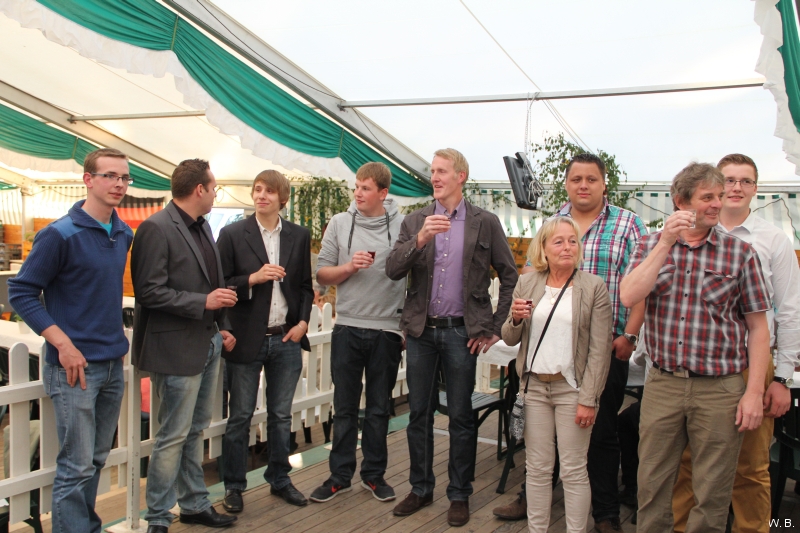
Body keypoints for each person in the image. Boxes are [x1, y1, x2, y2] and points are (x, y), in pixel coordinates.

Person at [493, 153, 647, 533]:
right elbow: (528, 284)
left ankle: (605, 515)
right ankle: (532, 503)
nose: (583, 185)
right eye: (576, 179)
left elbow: (643, 282)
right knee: (541, 456)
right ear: (566, 184)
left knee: (602, 436)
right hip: (541, 372)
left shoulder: (627, 224)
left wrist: (629, 336)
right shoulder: (553, 222)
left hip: (605, 348)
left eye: (591, 179)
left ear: (603, 184)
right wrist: (518, 311)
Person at [620, 162, 771, 533]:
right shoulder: (650, 244)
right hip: (663, 384)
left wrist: (754, 393)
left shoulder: (740, 253)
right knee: (651, 485)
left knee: (713, 493)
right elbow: (629, 296)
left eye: (719, 196)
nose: (718, 203)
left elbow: (758, 328)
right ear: (680, 201)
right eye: (708, 197)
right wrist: (665, 243)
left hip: (721, 389)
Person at [386, 148, 518, 527]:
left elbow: (509, 275)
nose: (435, 177)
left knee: (461, 416)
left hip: (463, 332)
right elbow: (393, 269)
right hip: (421, 333)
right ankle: (421, 488)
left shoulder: (485, 222)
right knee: (419, 414)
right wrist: (420, 239)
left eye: (442, 171)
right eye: (433, 171)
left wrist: (495, 327)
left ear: (461, 176)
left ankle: (459, 494)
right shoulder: (415, 221)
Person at [7, 148, 134, 533]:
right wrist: (62, 343)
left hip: (111, 364)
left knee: (95, 460)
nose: (118, 184)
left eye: (124, 177)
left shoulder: (123, 232)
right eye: (110, 176)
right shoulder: (58, 234)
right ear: (88, 180)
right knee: (76, 466)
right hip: (73, 368)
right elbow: (22, 292)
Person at [671, 154, 800, 533]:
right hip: (699, 364)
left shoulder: (772, 240)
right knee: (689, 459)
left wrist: (782, 378)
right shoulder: (685, 235)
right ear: (715, 186)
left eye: (746, 181)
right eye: (729, 180)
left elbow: (790, 310)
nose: (736, 188)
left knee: (751, 466)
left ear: (756, 189)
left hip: (751, 366)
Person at [131, 159, 238, 533]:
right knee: (172, 436)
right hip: (175, 349)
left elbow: (213, 284)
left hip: (207, 342)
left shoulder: (203, 226)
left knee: (194, 432)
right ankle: (159, 517)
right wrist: (203, 303)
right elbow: (148, 291)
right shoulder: (155, 228)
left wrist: (221, 326)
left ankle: (194, 505)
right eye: (214, 188)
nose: (215, 194)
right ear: (199, 189)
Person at [502, 217, 612, 532]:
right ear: (544, 249)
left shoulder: (593, 287)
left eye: (572, 241)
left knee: (573, 471)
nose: (567, 247)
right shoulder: (527, 283)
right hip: (534, 388)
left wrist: (589, 399)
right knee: (537, 469)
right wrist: (516, 319)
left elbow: (600, 350)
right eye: (559, 241)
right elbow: (509, 337)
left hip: (572, 390)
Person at [216, 170, 314, 510]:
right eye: (257, 189)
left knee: (281, 416)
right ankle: (233, 487)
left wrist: (302, 323)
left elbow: (305, 286)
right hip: (245, 339)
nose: (261, 195)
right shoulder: (232, 234)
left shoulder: (299, 235)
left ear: (282, 199)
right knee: (240, 417)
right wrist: (253, 279)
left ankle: (280, 479)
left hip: (286, 337)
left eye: (269, 191)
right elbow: (219, 284)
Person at [309, 162, 406, 503]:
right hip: (347, 327)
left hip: (387, 330)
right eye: (356, 186)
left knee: (379, 408)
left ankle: (374, 476)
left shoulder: (403, 225)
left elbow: (416, 272)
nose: (358, 193)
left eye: (366, 188)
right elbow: (322, 274)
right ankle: (340, 477)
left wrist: (405, 326)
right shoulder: (340, 222)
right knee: (344, 407)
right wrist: (350, 267)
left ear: (383, 193)